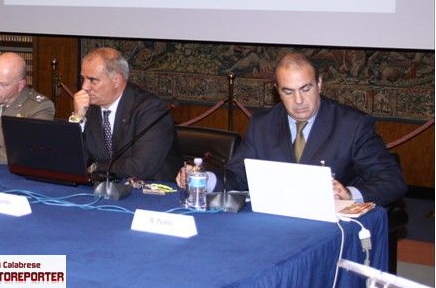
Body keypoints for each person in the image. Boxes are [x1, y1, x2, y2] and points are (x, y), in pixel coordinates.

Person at [178, 52, 407, 206]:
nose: (299, 100)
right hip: (274, 224)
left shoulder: (352, 125)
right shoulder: (263, 124)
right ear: (277, 91)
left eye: (305, 89)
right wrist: (202, 178)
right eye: (288, 91)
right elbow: (238, 176)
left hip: (329, 226)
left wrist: (349, 194)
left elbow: (392, 180)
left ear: (319, 84)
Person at [70, 47, 182, 181]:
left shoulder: (151, 109)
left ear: (116, 80)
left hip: (150, 188)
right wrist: (78, 118)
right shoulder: (88, 108)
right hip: (105, 187)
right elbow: (71, 161)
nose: (84, 87)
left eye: (92, 80)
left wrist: (94, 167)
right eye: (83, 79)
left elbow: (140, 167)